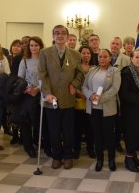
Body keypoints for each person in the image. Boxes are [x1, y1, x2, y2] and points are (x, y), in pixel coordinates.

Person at [39, 25, 84, 170]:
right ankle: (56, 157)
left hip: (68, 99)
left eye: (63, 33)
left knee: (68, 131)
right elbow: (42, 75)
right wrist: (47, 93)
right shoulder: (44, 53)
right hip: (51, 99)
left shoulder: (76, 54)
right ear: (53, 36)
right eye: (57, 33)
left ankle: (68, 156)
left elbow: (80, 74)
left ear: (67, 36)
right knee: (53, 131)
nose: (60, 35)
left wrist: (74, 84)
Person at [83, 49, 121, 172]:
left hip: (108, 109)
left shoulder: (115, 71)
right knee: (97, 135)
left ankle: (111, 159)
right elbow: (84, 86)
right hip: (93, 108)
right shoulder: (92, 70)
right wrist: (90, 95)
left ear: (110, 58)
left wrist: (100, 98)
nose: (102, 59)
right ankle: (99, 159)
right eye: (100, 56)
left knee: (109, 136)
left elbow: (115, 88)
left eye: (105, 56)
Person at [17, 36, 44, 158]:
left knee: (38, 121)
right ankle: (28, 147)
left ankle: (38, 142)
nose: (33, 47)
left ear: (40, 46)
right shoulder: (24, 61)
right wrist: (28, 89)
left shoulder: (44, 60)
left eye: (36, 45)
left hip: (41, 93)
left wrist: (37, 89)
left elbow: (46, 78)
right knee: (27, 121)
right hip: (27, 94)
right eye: (31, 45)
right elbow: (20, 79)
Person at [74, 45, 95, 159]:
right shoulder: (76, 67)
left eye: (88, 53)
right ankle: (76, 149)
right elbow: (72, 82)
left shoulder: (94, 68)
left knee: (90, 127)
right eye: (84, 53)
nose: (86, 55)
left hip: (90, 101)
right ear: (80, 54)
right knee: (77, 127)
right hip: (78, 100)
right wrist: (79, 93)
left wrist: (90, 95)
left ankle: (90, 148)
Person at [110, 37, 130, 152]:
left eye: (117, 44)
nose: (114, 46)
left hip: (120, 95)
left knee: (118, 120)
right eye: (113, 43)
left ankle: (117, 142)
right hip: (107, 94)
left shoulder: (126, 59)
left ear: (121, 46)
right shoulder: (105, 56)